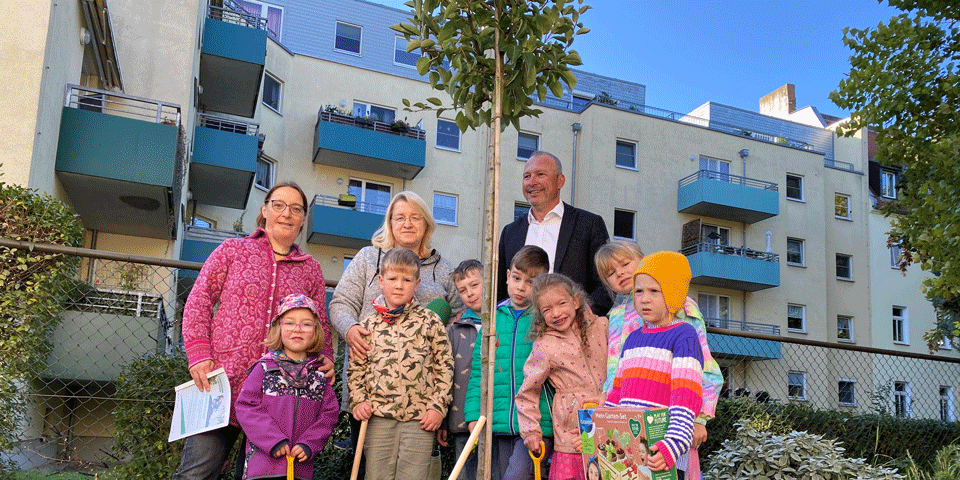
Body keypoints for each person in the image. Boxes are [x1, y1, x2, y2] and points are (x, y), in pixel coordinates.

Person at [176, 181, 333, 480]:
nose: (286, 214)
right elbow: (198, 300)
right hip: (222, 383)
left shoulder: (310, 268)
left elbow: (320, 322)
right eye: (278, 205)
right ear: (264, 211)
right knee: (196, 474)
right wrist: (198, 353)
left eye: (296, 209)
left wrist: (325, 357)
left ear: (302, 219)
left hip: (278, 401)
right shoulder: (233, 251)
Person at [330, 191, 464, 463]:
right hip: (370, 391)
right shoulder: (368, 258)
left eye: (416, 217)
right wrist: (351, 330)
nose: (407, 223)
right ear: (389, 222)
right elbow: (341, 302)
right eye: (400, 217)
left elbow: (461, 320)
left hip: (420, 400)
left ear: (426, 223)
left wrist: (441, 399)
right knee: (369, 468)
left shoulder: (445, 268)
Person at [594, 241, 723, 477]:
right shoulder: (618, 319)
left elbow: (693, 380)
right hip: (629, 432)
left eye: (624, 264)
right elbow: (616, 378)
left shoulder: (683, 320)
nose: (620, 273)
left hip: (668, 430)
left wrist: (700, 418)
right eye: (610, 272)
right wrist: (603, 427)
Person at [348, 248, 454, 480]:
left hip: (419, 420)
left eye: (406, 280)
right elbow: (356, 370)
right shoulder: (367, 325)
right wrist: (358, 400)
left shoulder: (430, 322)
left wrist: (437, 407)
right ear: (381, 281)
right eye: (393, 279)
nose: (399, 285)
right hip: (378, 419)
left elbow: (444, 366)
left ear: (416, 285)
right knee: (376, 475)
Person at [464, 245, 553, 480]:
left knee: (518, 476)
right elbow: (477, 371)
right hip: (499, 421)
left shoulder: (546, 320)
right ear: (506, 276)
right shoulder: (492, 319)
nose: (521, 287)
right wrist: (474, 414)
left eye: (531, 281)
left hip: (536, 424)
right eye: (516, 278)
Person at [235, 294, 338, 480]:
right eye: (289, 323)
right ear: (278, 328)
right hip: (263, 468)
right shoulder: (265, 368)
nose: (297, 329)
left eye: (306, 324)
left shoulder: (319, 375)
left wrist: (310, 443)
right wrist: (273, 440)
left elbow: (329, 414)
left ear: (316, 331)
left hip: (300, 468)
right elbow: (246, 406)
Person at [516, 274, 608, 480]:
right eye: (547, 310)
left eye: (561, 303)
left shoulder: (602, 327)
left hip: (608, 425)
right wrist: (531, 431)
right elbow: (527, 391)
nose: (556, 313)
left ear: (576, 301)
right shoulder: (545, 345)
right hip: (570, 435)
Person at [499, 151, 610, 315]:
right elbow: (500, 287)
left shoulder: (589, 225)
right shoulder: (510, 232)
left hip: (574, 332)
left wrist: (579, 321)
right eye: (527, 176)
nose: (532, 182)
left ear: (560, 181)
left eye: (540, 174)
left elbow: (604, 284)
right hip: (519, 333)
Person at [438, 259, 484, 480]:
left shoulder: (505, 322)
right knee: (464, 474)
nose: (469, 294)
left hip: (499, 423)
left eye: (475, 285)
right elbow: (445, 375)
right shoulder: (455, 329)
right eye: (462, 290)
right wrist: (444, 420)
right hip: (462, 423)